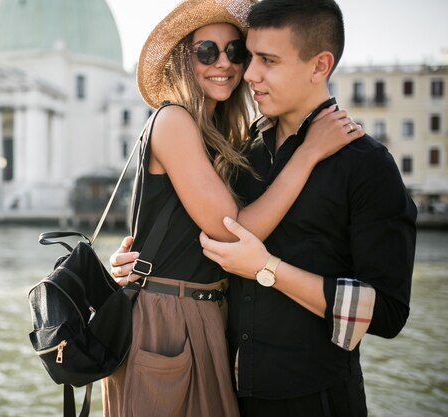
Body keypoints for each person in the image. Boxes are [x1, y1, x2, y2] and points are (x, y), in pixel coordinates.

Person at [103, 1, 364, 417]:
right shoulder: (173, 121)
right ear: (183, 60)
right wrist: (310, 152)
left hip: (204, 315)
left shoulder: (221, 135)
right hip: (168, 321)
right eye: (207, 51)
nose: (224, 63)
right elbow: (232, 232)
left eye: (236, 51)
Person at [195, 0, 417, 416]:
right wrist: (137, 266)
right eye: (250, 56)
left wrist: (267, 268)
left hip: (317, 400)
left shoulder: (367, 164)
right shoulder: (243, 153)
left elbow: (387, 312)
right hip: (227, 395)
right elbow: (210, 251)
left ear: (319, 66)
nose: (251, 74)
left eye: (269, 60)